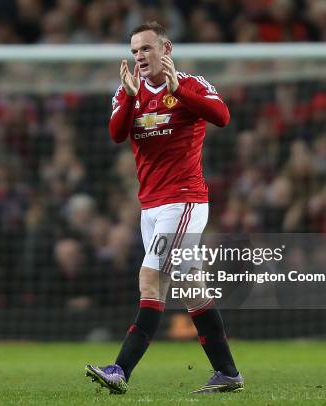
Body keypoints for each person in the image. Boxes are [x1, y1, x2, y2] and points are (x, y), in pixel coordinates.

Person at [85, 22, 243, 394]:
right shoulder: (127, 93)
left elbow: (222, 117)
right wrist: (128, 98)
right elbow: (117, 133)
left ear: (165, 48)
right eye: (135, 51)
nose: (139, 57)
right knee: (192, 287)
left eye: (146, 49)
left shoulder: (191, 84)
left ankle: (120, 369)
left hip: (184, 199)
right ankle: (227, 372)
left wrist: (177, 92)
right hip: (150, 206)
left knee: (150, 279)